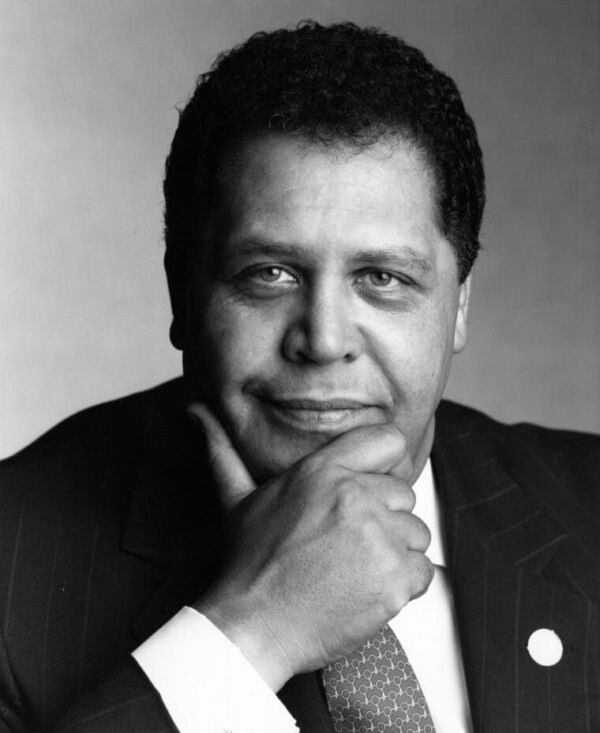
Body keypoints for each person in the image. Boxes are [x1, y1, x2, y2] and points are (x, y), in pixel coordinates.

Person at [0, 20, 598, 733]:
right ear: (181, 294)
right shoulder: (14, 565)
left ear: (459, 303)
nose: (323, 338)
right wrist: (250, 632)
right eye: (269, 273)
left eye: (382, 277)